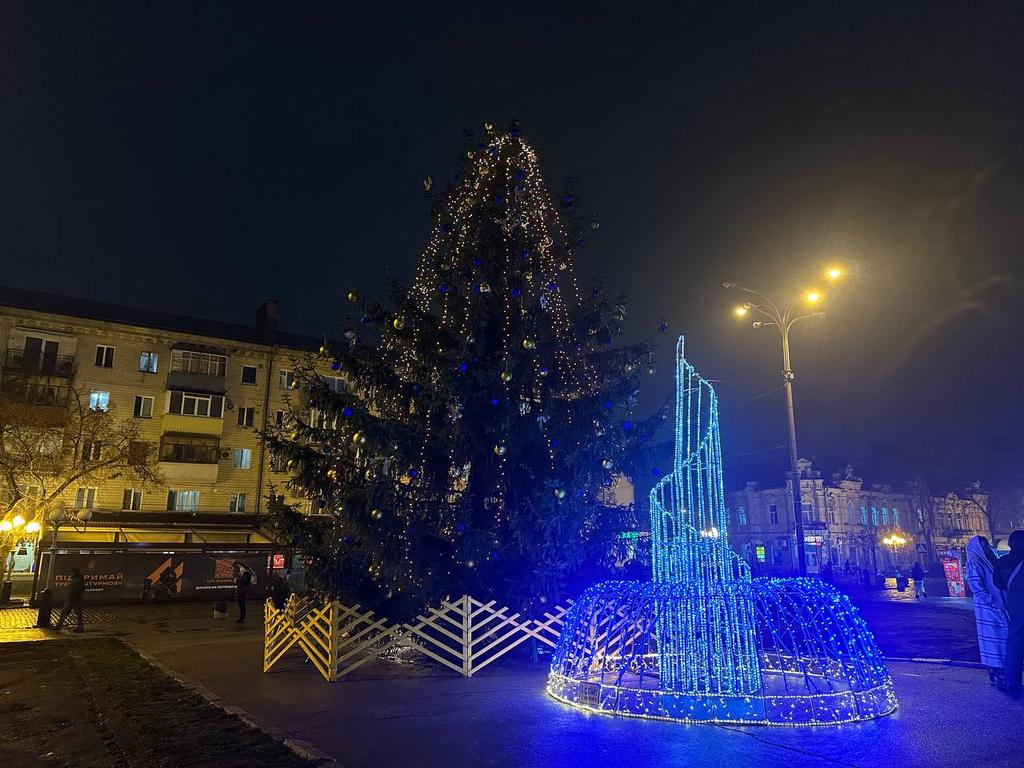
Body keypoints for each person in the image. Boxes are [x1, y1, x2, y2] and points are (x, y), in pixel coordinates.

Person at [965, 536, 1009, 686]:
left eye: (986, 545)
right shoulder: (974, 562)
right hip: (988, 609)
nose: (986, 547)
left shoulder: (988, 561)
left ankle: (1003, 671)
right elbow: (977, 588)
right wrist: (992, 601)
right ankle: (996, 673)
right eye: (983, 545)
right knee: (993, 639)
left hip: (998, 605)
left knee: (1001, 638)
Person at [997, 530, 1024, 695]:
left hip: (1015, 604)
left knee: (1015, 642)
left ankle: (1011, 681)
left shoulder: (1003, 562)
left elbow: (997, 583)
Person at [54, 568, 85, 633]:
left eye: (72, 573)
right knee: (68, 612)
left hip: (75, 599)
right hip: (72, 599)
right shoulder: (76, 579)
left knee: (75, 612)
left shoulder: (78, 580)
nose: (71, 574)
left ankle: (79, 627)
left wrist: (74, 596)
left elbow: (78, 589)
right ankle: (59, 625)